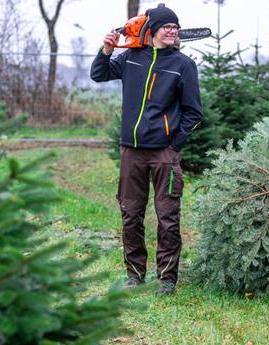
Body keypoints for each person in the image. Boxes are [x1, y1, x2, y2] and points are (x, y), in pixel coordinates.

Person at [90, 5, 202, 295]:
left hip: (164, 152)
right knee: (130, 213)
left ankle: (167, 278)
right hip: (131, 151)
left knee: (168, 216)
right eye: (167, 26)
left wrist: (174, 143)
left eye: (176, 27)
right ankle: (135, 274)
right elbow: (98, 74)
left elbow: (193, 112)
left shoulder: (183, 65)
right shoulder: (130, 58)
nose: (173, 30)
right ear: (151, 31)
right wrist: (106, 49)